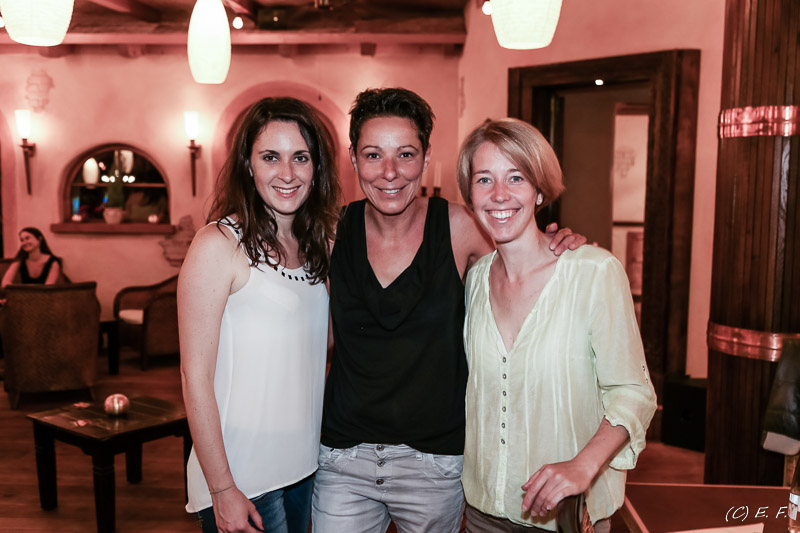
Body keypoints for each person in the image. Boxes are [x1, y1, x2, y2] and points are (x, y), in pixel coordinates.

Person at [313, 88, 585, 533]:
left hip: (434, 462)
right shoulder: (331, 232)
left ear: (426, 158)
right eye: (373, 155)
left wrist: (561, 242)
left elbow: (523, 262)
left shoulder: (460, 226)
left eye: (405, 154)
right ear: (353, 159)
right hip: (344, 457)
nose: (390, 172)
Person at [457, 118, 657, 532]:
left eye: (516, 177)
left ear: (539, 190)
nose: (499, 194)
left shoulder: (593, 272)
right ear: (470, 194)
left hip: (566, 515)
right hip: (482, 512)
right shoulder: (474, 281)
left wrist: (583, 466)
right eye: (484, 179)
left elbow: (634, 392)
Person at [178, 97, 341, 533]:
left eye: (300, 157)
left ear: (316, 168)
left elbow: (324, 344)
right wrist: (222, 487)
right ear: (248, 166)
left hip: (304, 465)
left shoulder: (319, 247)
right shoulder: (218, 244)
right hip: (242, 475)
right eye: (270, 157)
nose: (287, 173)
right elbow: (194, 377)